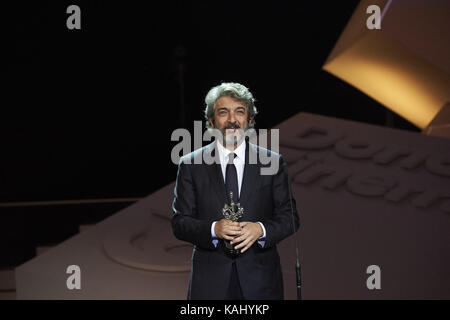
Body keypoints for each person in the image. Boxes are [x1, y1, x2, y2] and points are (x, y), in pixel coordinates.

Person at [172, 82, 299, 300]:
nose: (232, 119)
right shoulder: (191, 164)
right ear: (211, 121)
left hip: (261, 283)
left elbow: (290, 218)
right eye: (223, 112)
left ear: (250, 120)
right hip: (210, 284)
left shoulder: (273, 162)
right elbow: (180, 222)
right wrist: (214, 229)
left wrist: (260, 229)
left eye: (239, 111)